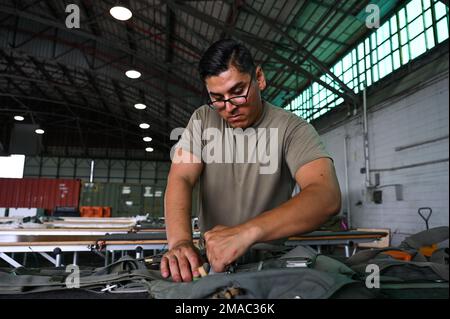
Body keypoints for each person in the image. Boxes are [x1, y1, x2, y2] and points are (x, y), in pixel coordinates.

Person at [160, 39, 341, 282]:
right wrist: (181, 241)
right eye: (217, 98)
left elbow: (326, 196)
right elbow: (181, 177)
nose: (229, 107)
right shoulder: (203, 119)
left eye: (237, 92)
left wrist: (246, 233)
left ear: (259, 78)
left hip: (272, 263)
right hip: (213, 263)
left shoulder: (292, 129)